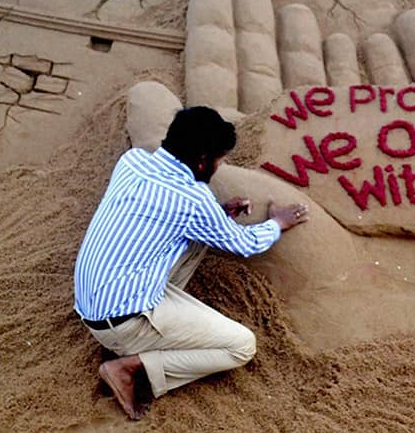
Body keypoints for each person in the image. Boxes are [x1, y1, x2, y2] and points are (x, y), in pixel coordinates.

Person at [73, 106, 309, 420]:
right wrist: (277, 223)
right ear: (202, 160)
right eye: (220, 159)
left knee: (199, 237)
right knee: (241, 346)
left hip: (93, 301)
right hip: (123, 321)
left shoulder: (132, 161)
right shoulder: (193, 199)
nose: (219, 165)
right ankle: (129, 366)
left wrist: (218, 216)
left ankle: (128, 345)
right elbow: (245, 244)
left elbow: (158, 218)